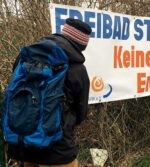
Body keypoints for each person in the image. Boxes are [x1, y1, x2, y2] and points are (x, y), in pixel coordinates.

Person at [7, 18, 92, 166]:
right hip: (56, 146)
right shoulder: (77, 68)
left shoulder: (26, 55)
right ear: (82, 44)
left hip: (23, 141)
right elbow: (81, 112)